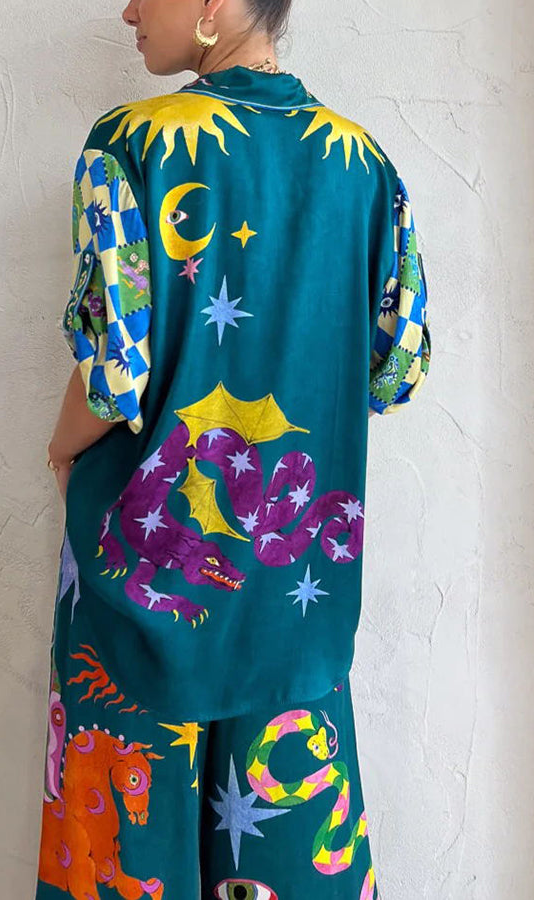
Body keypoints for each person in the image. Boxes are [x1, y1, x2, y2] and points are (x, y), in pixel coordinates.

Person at [34, 0, 431, 897]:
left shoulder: (130, 145)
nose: (128, 10)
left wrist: (59, 452)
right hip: (293, 599)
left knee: (124, 856)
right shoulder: (367, 166)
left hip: (140, 593)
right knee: (290, 863)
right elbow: (397, 369)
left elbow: (113, 372)